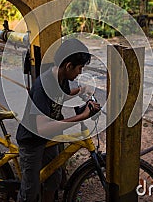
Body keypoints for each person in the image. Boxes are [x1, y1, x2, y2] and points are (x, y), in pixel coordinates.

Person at [16, 38, 100, 202]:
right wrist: (81, 116)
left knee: (54, 178)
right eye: (79, 68)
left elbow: (60, 98)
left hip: (49, 138)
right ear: (68, 66)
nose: (80, 72)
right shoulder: (43, 85)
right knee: (30, 191)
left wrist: (80, 91)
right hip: (32, 140)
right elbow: (42, 128)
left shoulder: (62, 79)